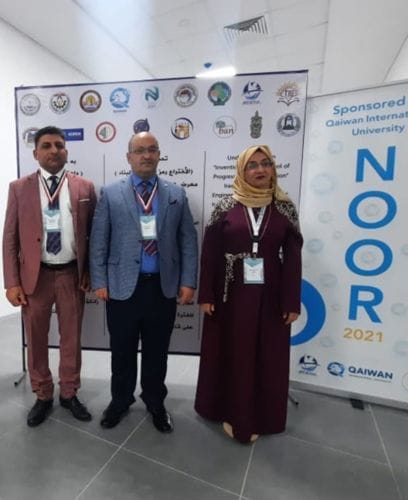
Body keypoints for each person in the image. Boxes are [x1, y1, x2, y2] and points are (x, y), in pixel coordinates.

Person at [90, 131, 198, 432]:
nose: (146, 155)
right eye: (139, 150)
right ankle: (120, 400)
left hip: (162, 287)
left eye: (152, 149)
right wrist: (99, 279)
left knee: (157, 351)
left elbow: (188, 240)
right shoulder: (111, 193)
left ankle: (155, 402)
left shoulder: (176, 194)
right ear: (129, 157)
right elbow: (99, 240)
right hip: (121, 287)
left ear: (160, 155)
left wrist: (188, 280)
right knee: (121, 351)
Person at [195, 145, 303, 444]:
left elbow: (293, 259)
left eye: (265, 163)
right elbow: (210, 254)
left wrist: (291, 301)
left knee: (267, 356)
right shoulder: (225, 206)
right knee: (232, 353)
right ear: (241, 171)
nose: (260, 170)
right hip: (229, 294)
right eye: (252, 165)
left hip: (271, 295)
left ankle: (261, 416)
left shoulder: (284, 208)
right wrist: (206, 295)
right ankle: (227, 411)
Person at [3, 126, 97, 427]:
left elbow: (94, 235)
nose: (54, 150)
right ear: (35, 153)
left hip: (72, 274)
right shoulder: (19, 188)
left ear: (66, 151)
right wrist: (12, 282)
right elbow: (10, 238)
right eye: (46, 145)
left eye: (59, 145)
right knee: (36, 338)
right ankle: (43, 394)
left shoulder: (84, 187)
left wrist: (89, 271)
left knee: (71, 337)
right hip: (35, 278)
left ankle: (69, 392)